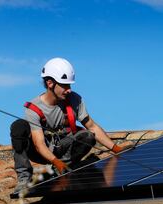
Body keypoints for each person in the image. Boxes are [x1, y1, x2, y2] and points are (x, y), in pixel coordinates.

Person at [10, 57, 124, 193]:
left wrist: (115, 148)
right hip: (42, 150)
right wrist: (55, 161)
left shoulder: (74, 99)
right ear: (50, 83)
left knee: (88, 136)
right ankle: (24, 178)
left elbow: (92, 127)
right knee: (18, 127)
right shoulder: (33, 109)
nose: (69, 90)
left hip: (64, 146)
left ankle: (63, 168)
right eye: (65, 85)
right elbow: (39, 144)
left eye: (69, 85)